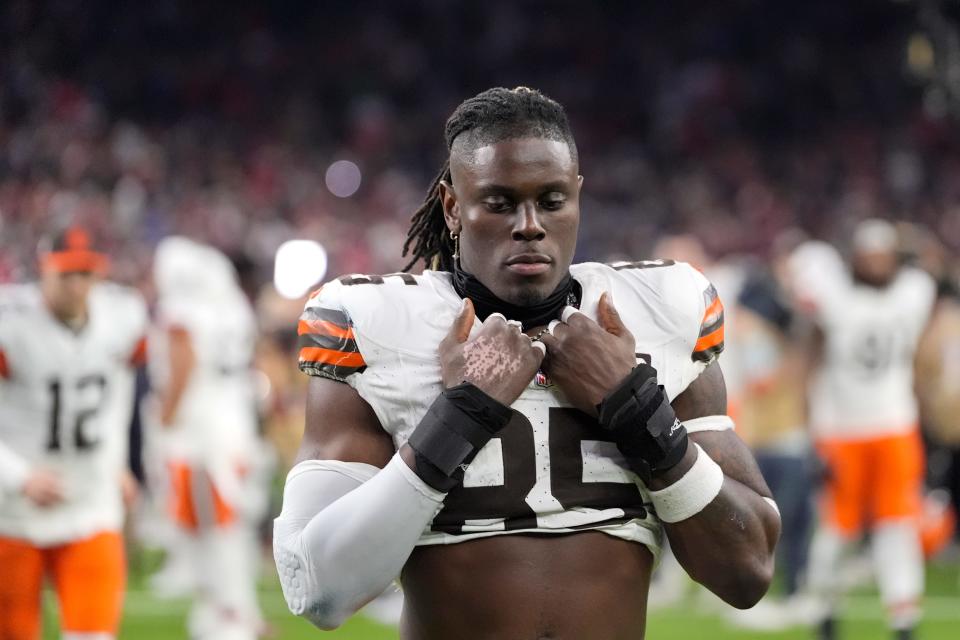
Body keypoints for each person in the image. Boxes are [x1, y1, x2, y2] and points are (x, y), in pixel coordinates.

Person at [273, 86, 780, 639]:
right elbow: (317, 589)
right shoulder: (375, 321)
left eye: (552, 200)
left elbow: (747, 570)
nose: (530, 224)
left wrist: (639, 410)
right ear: (452, 207)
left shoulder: (662, 310)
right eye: (499, 202)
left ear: (578, 196)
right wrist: (459, 418)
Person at [790, 220, 936, 640]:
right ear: (854, 259)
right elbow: (811, 360)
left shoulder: (903, 293)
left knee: (897, 525)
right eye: (868, 256)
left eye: (882, 256)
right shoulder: (889, 293)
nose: (875, 264)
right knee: (838, 529)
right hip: (843, 431)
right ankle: (824, 608)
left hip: (894, 426)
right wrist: (810, 427)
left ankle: (903, 615)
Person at [0, 226, 147, 640]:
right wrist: (17, 476)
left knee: (93, 635)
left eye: (86, 273)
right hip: (11, 512)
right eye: (66, 274)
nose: (77, 285)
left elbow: (119, 390)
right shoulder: (11, 323)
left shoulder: (123, 315)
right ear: (43, 271)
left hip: (89, 502)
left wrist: (115, 461)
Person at [146, 237, 265, 640]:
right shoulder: (232, 305)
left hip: (202, 420)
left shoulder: (183, 308)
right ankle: (226, 606)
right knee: (220, 518)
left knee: (212, 518)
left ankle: (230, 611)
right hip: (234, 415)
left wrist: (165, 415)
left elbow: (184, 362)